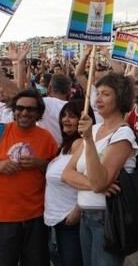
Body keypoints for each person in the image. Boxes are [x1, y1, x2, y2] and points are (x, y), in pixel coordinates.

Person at [0, 88, 59, 265]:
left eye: (30, 109)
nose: (24, 112)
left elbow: (55, 172)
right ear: (14, 110)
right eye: (20, 108)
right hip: (2, 216)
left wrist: (39, 163)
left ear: (38, 113)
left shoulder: (47, 138)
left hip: (35, 217)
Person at [62, 72, 138, 266]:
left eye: (106, 93)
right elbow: (67, 174)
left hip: (106, 218)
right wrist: (94, 184)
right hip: (87, 216)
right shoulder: (95, 129)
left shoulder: (123, 135)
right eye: (98, 93)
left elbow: (98, 182)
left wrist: (88, 140)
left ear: (120, 97)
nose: (98, 98)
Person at [45, 99, 94, 266]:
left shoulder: (81, 144)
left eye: (72, 116)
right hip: (58, 219)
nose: (65, 119)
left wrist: (78, 210)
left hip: (71, 220)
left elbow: (91, 179)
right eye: (64, 115)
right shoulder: (66, 146)